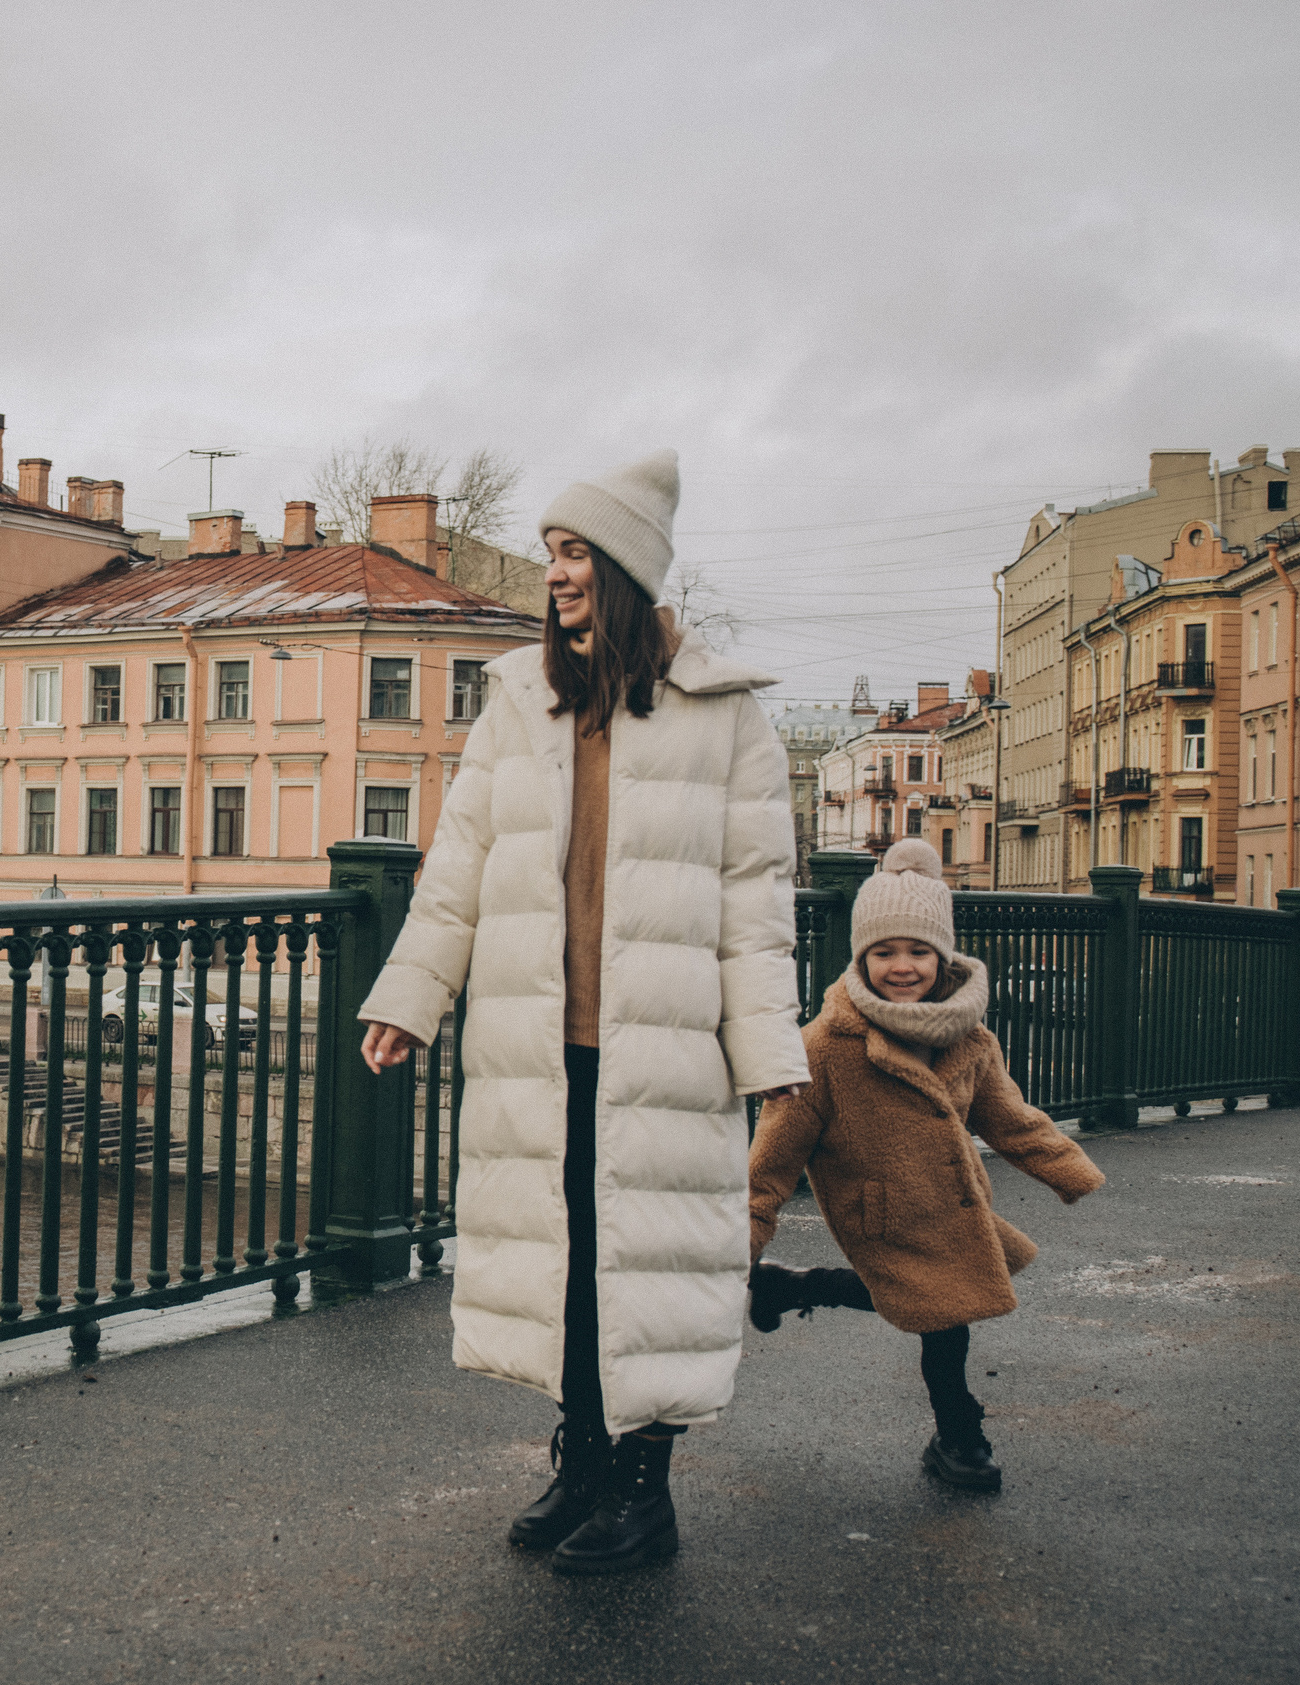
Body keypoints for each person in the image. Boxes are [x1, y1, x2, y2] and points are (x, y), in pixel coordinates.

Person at [356, 449, 809, 1576]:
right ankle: (581, 1463)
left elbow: (756, 902)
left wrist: (767, 1050)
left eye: (572, 555)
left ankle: (642, 1491)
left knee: (643, 1264)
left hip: (659, 1042)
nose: (553, 576)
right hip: (534, 1039)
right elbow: (459, 861)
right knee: (562, 1259)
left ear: (622, 570)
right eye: (551, 553)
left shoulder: (726, 715)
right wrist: (412, 996)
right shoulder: (518, 698)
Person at [747, 838, 1104, 1493]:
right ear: (861, 956)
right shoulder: (825, 1047)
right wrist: (747, 1225)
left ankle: (791, 1287)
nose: (902, 966)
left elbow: (1008, 1118)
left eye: (918, 950)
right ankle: (959, 1435)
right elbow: (773, 1157)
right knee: (944, 1313)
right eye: (884, 952)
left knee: (931, 1301)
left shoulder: (968, 1036)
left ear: (943, 956)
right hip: (878, 1209)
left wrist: (1068, 1169)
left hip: (954, 1204)